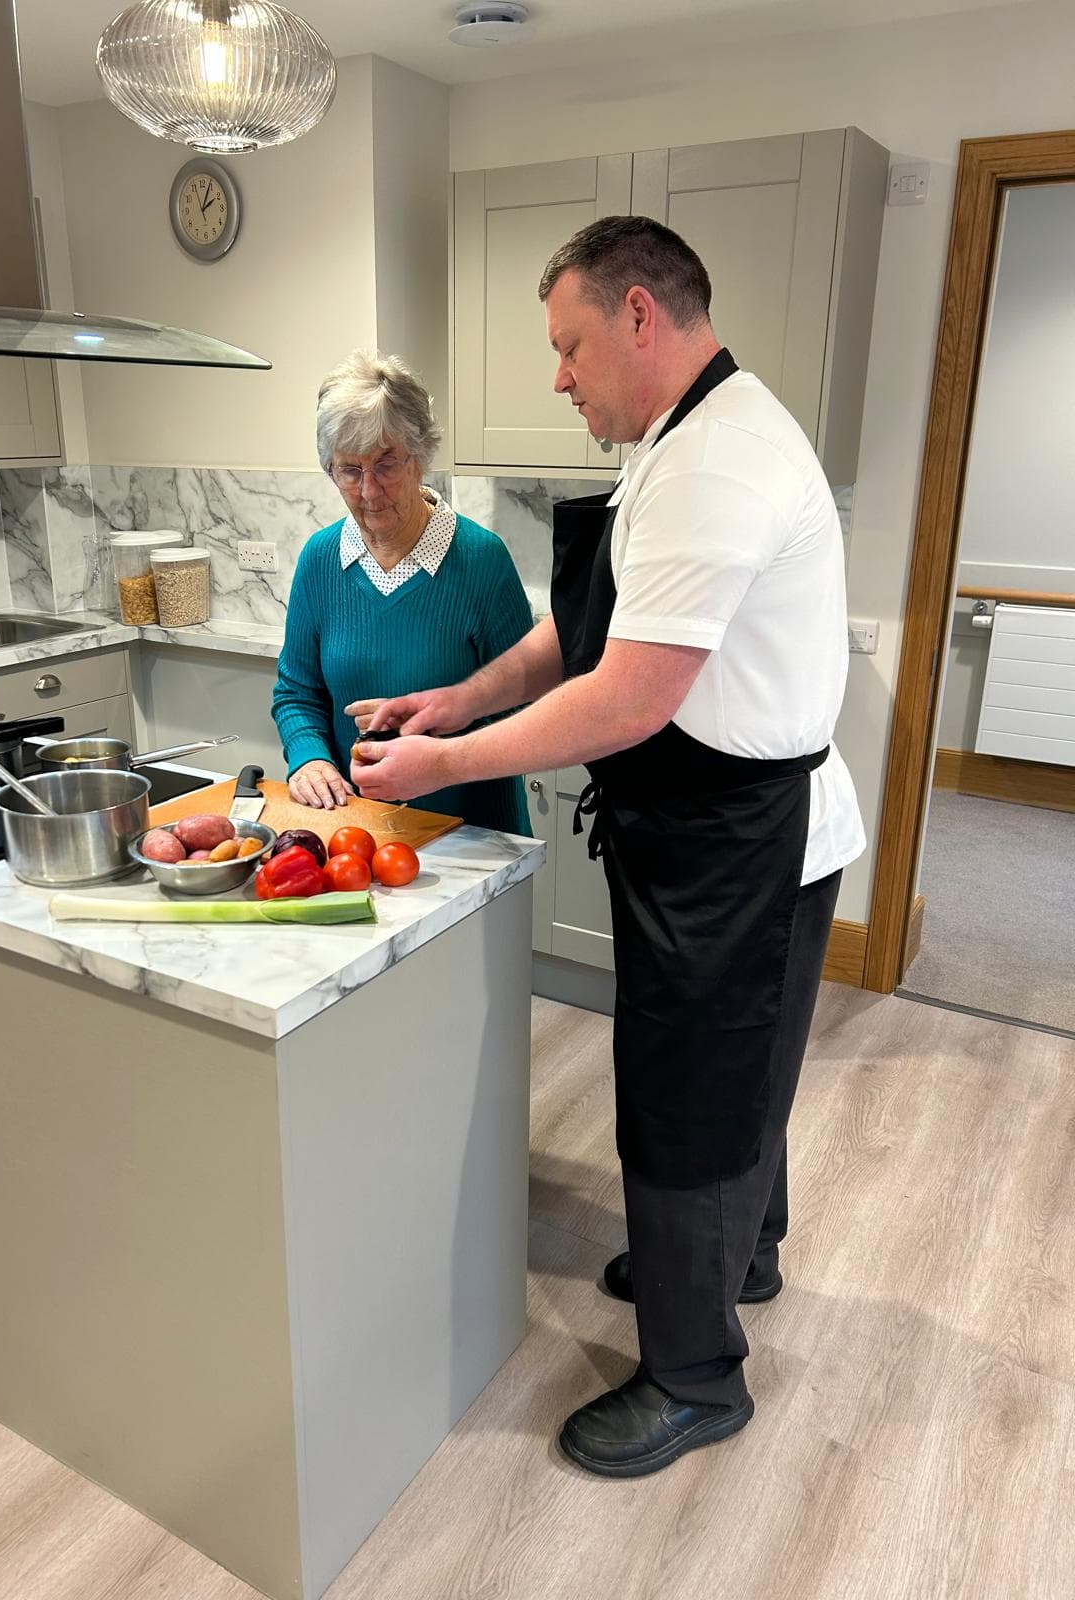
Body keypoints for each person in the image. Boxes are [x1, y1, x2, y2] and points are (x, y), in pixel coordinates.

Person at [350, 217, 865, 1478]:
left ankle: (697, 1377)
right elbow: (576, 637)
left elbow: (628, 696)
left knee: (689, 1095)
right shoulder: (673, 442)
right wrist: (455, 702)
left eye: (571, 345)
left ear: (643, 316)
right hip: (713, 827)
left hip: (742, 835)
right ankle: (737, 1257)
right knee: (732, 1068)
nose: (561, 376)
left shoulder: (714, 465)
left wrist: (438, 767)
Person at [272, 350, 532, 834]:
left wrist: (433, 728)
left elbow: (527, 706)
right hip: (354, 827)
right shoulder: (320, 560)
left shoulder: (481, 560)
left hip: (472, 831)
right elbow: (296, 692)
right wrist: (308, 758)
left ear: (421, 456)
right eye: (349, 471)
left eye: (386, 465)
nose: (369, 491)